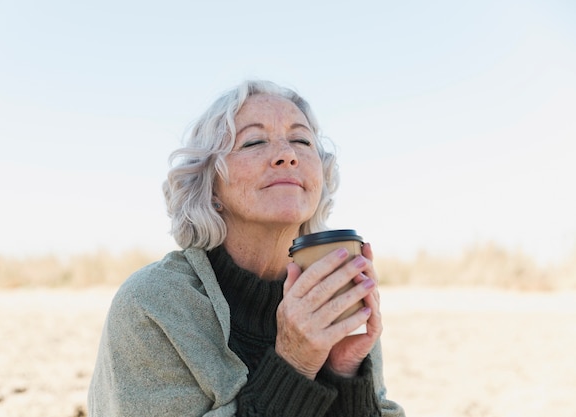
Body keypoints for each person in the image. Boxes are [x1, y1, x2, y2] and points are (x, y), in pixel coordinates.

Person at [88, 80, 405, 417]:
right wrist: (294, 363)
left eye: (301, 140)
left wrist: (344, 373)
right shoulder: (152, 304)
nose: (288, 154)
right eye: (254, 141)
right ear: (209, 185)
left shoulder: (331, 298)